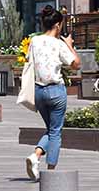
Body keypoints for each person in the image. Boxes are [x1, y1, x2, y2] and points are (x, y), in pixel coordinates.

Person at [25, 9, 81, 180]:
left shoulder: (34, 41)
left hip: (39, 91)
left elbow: (29, 61)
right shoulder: (58, 44)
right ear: (57, 24)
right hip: (56, 91)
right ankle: (50, 174)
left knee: (51, 129)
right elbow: (76, 64)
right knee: (56, 132)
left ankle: (36, 155)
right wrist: (69, 44)